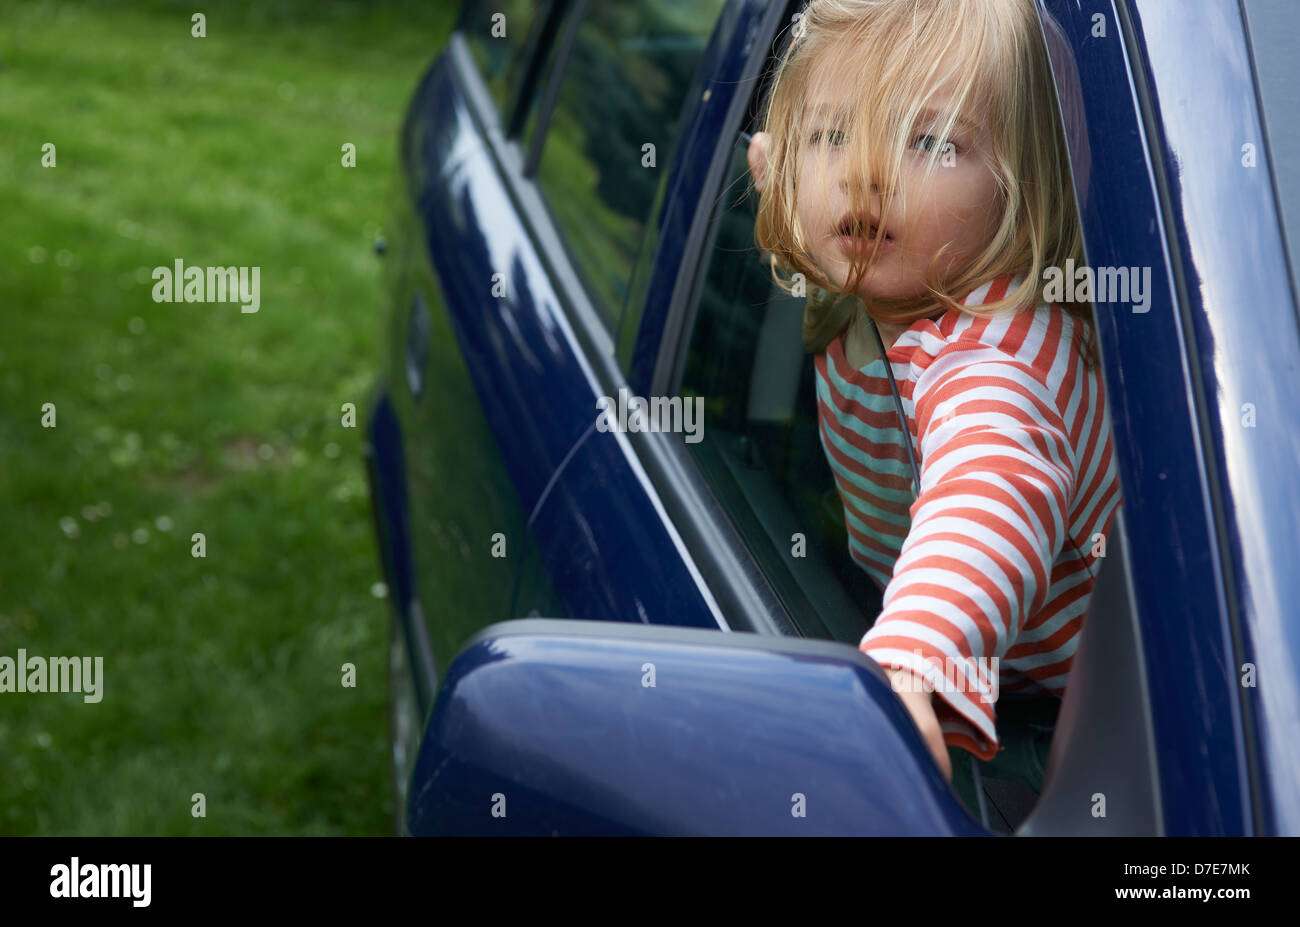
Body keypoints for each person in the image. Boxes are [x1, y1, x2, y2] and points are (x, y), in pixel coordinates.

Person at [746, 0, 1121, 798]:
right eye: (832, 135)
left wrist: (913, 654)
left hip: (1061, 722)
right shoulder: (887, 273)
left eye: (929, 141)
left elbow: (989, 489)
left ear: (1028, 186)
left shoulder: (998, 358)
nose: (863, 173)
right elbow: (829, 219)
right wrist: (787, 180)